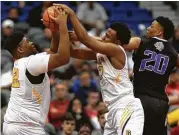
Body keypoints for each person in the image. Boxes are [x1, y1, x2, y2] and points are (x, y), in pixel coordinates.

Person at [55, 4, 144, 135]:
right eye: (107, 31)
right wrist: (59, 28)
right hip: (112, 109)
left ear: (117, 41)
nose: (105, 34)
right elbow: (73, 52)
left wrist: (72, 16)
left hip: (126, 106)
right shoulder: (101, 52)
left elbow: (86, 40)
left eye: (110, 34)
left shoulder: (116, 50)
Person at [2, 8, 70, 135]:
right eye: (27, 42)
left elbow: (53, 53)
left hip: (15, 124)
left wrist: (54, 31)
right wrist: (62, 26)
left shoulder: (21, 63)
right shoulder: (31, 63)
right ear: (20, 50)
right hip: (25, 128)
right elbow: (63, 58)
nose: (32, 42)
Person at [123, 16, 179, 135]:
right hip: (160, 103)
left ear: (159, 32)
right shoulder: (174, 54)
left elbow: (119, 45)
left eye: (152, 26)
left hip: (140, 98)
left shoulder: (140, 42)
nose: (148, 28)